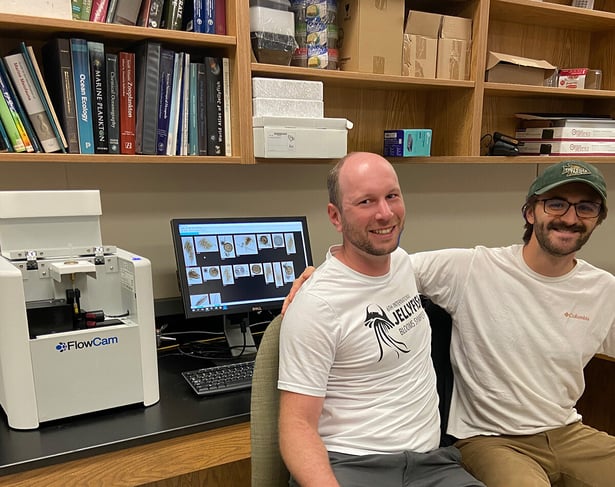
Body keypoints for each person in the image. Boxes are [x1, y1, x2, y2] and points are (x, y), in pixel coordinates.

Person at [285, 159, 615, 486]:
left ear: (598, 218)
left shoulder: (604, 290)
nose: (570, 218)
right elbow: (360, 269)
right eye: (555, 204)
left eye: (585, 208)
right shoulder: (469, 269)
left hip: (551, 434)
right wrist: (318, 278)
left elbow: (378, 264)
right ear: (530, 212)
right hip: (486, 439)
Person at [278, 152, 484, 487]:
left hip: (432, 464)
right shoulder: (316, 306)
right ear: (336, 216)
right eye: (365, 201)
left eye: (392, 196)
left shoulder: (403, 264)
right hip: (354, 466)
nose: (385, 213)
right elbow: (296, 425)